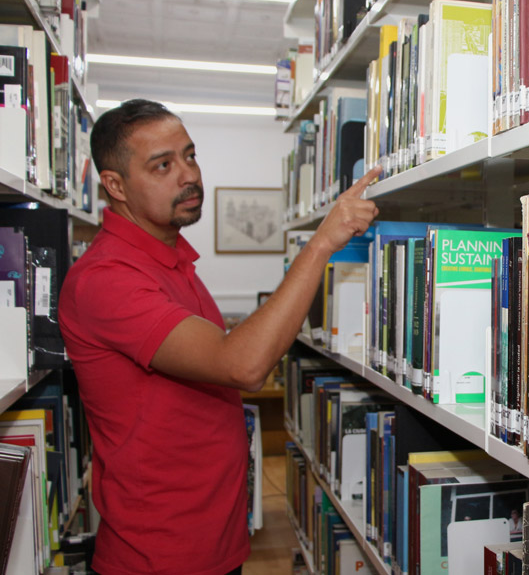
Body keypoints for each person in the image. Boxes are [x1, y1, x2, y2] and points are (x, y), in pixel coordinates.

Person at [58, 99, 381, 575]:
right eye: (163, 165)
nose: (188, 174)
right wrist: (321, 243)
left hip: (212, 541)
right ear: (115, 186)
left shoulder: (171, 260)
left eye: (190, 155)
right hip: (159, 557)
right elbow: (242, 365)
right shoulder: (106, 277)